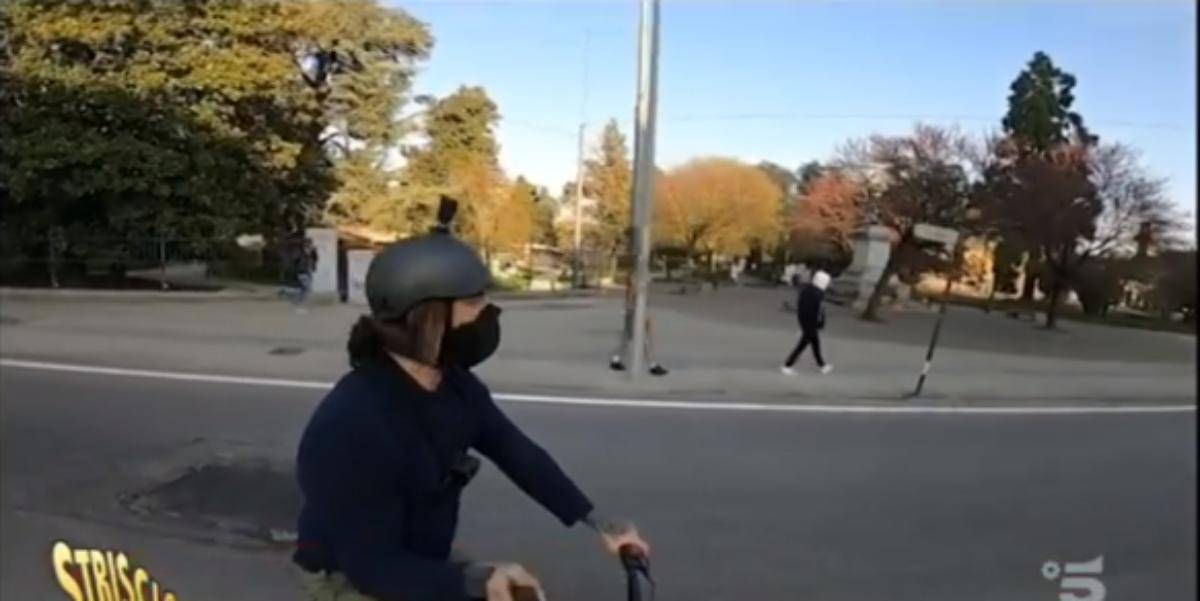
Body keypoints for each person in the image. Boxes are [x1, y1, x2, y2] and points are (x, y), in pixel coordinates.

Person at [293, 199, 650, 601]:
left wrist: (598, 521)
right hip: (350, 579)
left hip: (418, 559)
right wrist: (476, 581)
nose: (488, 314)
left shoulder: (456, 385)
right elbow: (373, 567)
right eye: (473, 303)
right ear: (428, 317)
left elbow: (515, 450)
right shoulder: (354, 424)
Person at [609, 273, 668, 377]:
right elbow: (633, 305)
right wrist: (644, 319)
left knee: (626, 340)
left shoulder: (633, 289)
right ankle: (653, 366)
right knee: (645, 341)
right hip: (635, 317)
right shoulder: (635, 290)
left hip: (632, 316)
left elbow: (629, 306)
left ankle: (615, 360)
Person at [781, 269, 833, 375]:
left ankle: (822, 365)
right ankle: (787, 365)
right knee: (803, 344)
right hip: (810, 322)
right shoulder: (817, 293)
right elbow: (818, 310)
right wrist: (819, 323)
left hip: (805, 320)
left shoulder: (808, 289)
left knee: (815, 343)